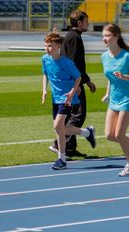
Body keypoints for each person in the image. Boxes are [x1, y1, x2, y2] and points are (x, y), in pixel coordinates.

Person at [40, 32, 96, 170]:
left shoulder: (67, 62)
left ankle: (62, 159)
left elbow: (78, 78)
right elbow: (45, 74)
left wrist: (72, 92)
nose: (47, 48)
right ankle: (86, 133)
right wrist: (44, 90)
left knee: (57, 126)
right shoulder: (45, 59)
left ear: (58, 46)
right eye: (46, 46)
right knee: (60, 129)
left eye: (50, 46)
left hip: (67, 98)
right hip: (55, 98)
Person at [99, 23, 129, 176]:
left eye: (108, 36)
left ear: (116, 36)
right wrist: (108, 93)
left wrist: (125, 77)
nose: (105, 39)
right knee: (109, 135)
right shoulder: (104, 57)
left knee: (119, 135)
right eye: (103, 36)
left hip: (128, 99)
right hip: (114, 99)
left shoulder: (127, 56)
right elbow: (111, 77)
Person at [60, 11, 96, 158]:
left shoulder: (70, 36)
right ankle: (58, 143)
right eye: (86, 21)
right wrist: (84, 81)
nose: (88, 23)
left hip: (68, 80)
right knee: (79, 114)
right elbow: (75, 63)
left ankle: (69, 148)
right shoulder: (75, 37)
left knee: (70, 114)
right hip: (74, 82)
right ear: (79, 22)